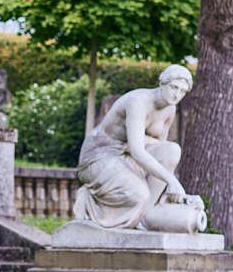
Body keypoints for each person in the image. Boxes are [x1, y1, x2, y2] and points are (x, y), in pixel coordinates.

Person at [73, 64, 193, 229]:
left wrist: (170, 189)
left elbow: (161, 150)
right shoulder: (138, 102)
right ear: (162, 83)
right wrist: (171, 180)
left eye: (182, 91)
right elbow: (137, 151)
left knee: (172, 150)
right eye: (174, 87)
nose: (176, 94)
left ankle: (145, 216)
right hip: (100, 157)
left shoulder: (169, 109)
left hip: (127, 156)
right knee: (140, 195)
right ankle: (90, 199)